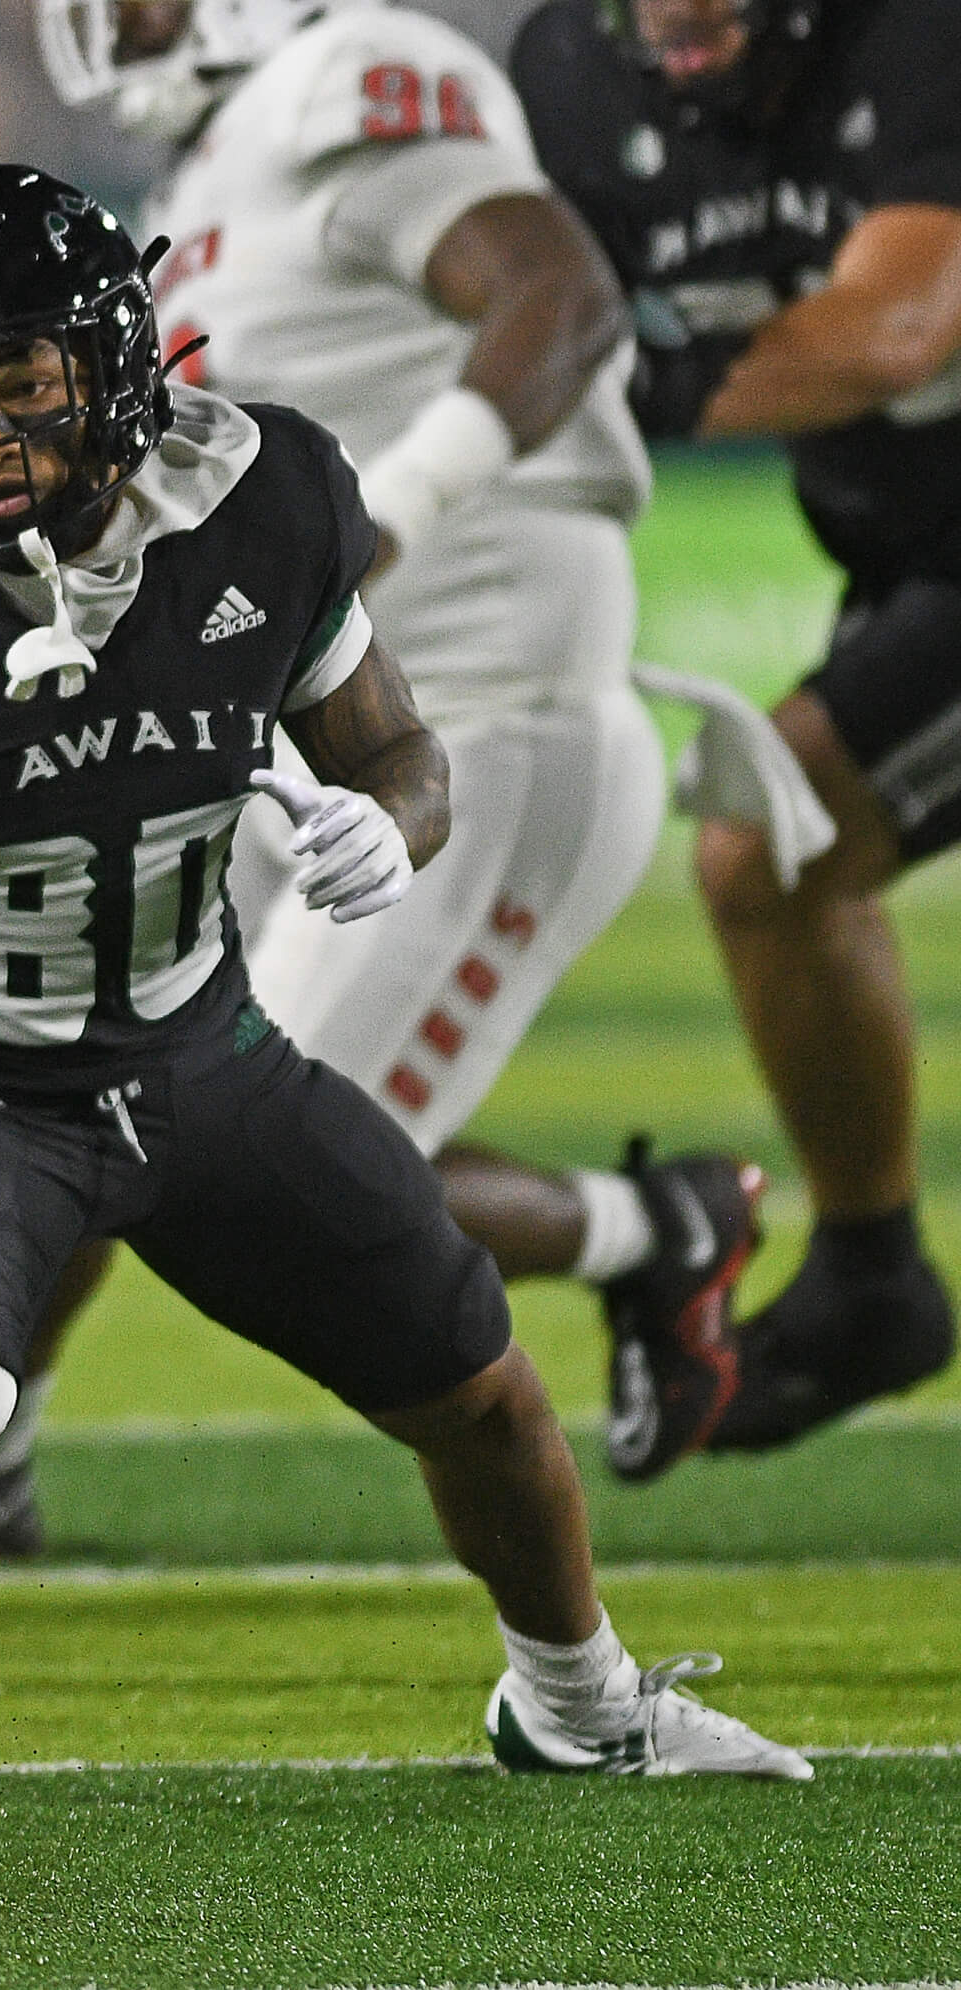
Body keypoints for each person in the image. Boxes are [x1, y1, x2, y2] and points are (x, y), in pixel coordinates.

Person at [0, 162, 811, 1796]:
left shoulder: (261, 504)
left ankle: (578, 1696)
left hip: (203, 1058)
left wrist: (389, 827)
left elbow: (397, 748)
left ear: (113, 365)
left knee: (479, 1383)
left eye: (15, 384)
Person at [509, 0, 960, 1458]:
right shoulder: (570, 74)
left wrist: (601, 389)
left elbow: (900, 328)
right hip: (912, 549)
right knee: (775, 854)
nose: (671, 10)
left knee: (772, 839)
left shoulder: (921, 40)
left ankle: (875, 1285)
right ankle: (873, 1283)